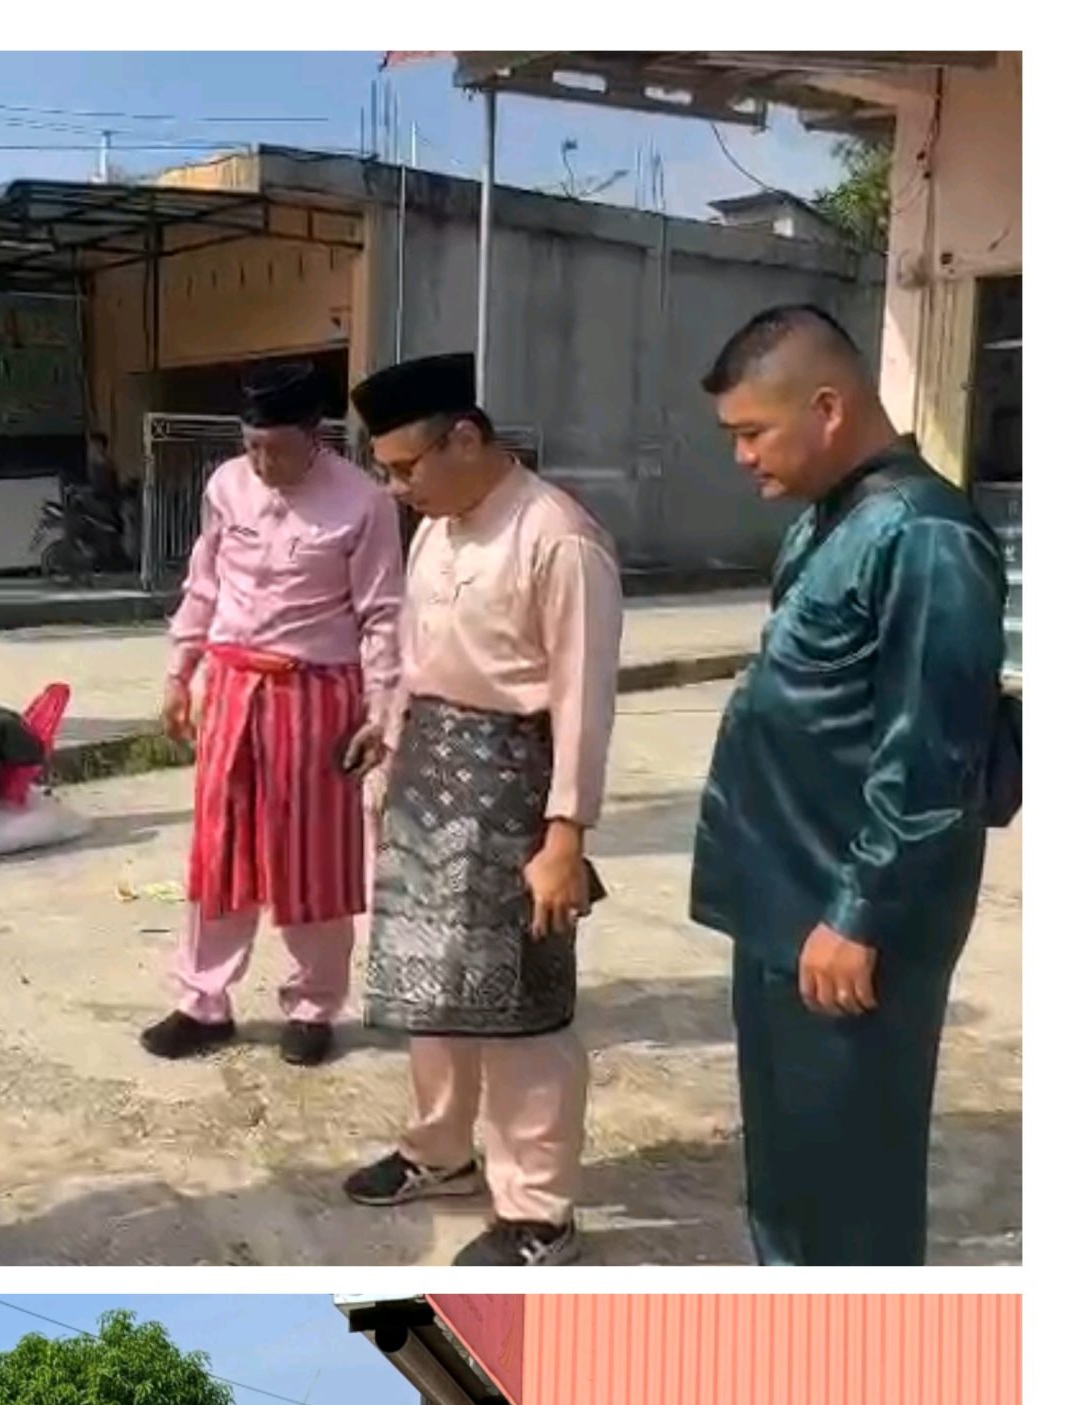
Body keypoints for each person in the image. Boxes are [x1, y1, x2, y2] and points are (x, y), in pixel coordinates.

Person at [691, 303, 1009, 1266]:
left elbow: (932, 762)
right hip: (789, 906)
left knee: (847, 1198)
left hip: (849, 927)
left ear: (827, 406)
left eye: (752, 431)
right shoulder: (834, 520)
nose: (741, 456)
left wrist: (859, 915)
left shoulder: (923, 536)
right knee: (789, 1180)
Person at [342, 352, 624, 1268]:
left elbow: (583, 699)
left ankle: (539, 1211)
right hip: (428, 777)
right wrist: (388, 730)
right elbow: (424, 653)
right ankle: (439, 1151)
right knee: (437, 992)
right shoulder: (438, 526)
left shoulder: (557, 537)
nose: (396, 486)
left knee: (520, 1012)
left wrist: (565, 835)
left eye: (404, 466)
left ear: (464, 437)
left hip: (514, 788)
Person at [142, 359, 403, 1069]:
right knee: (218, 850)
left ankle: (315, 1005)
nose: (262, 462)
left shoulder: (363, 502)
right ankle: (202, 1002)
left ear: (314, 436)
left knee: (310, 859)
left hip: (316, 691)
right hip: (230, 682)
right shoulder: (226, 485)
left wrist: (382, 712)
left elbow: (381, 615)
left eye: (277, 448)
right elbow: (203, 584)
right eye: (252, 445)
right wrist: (179, 672)